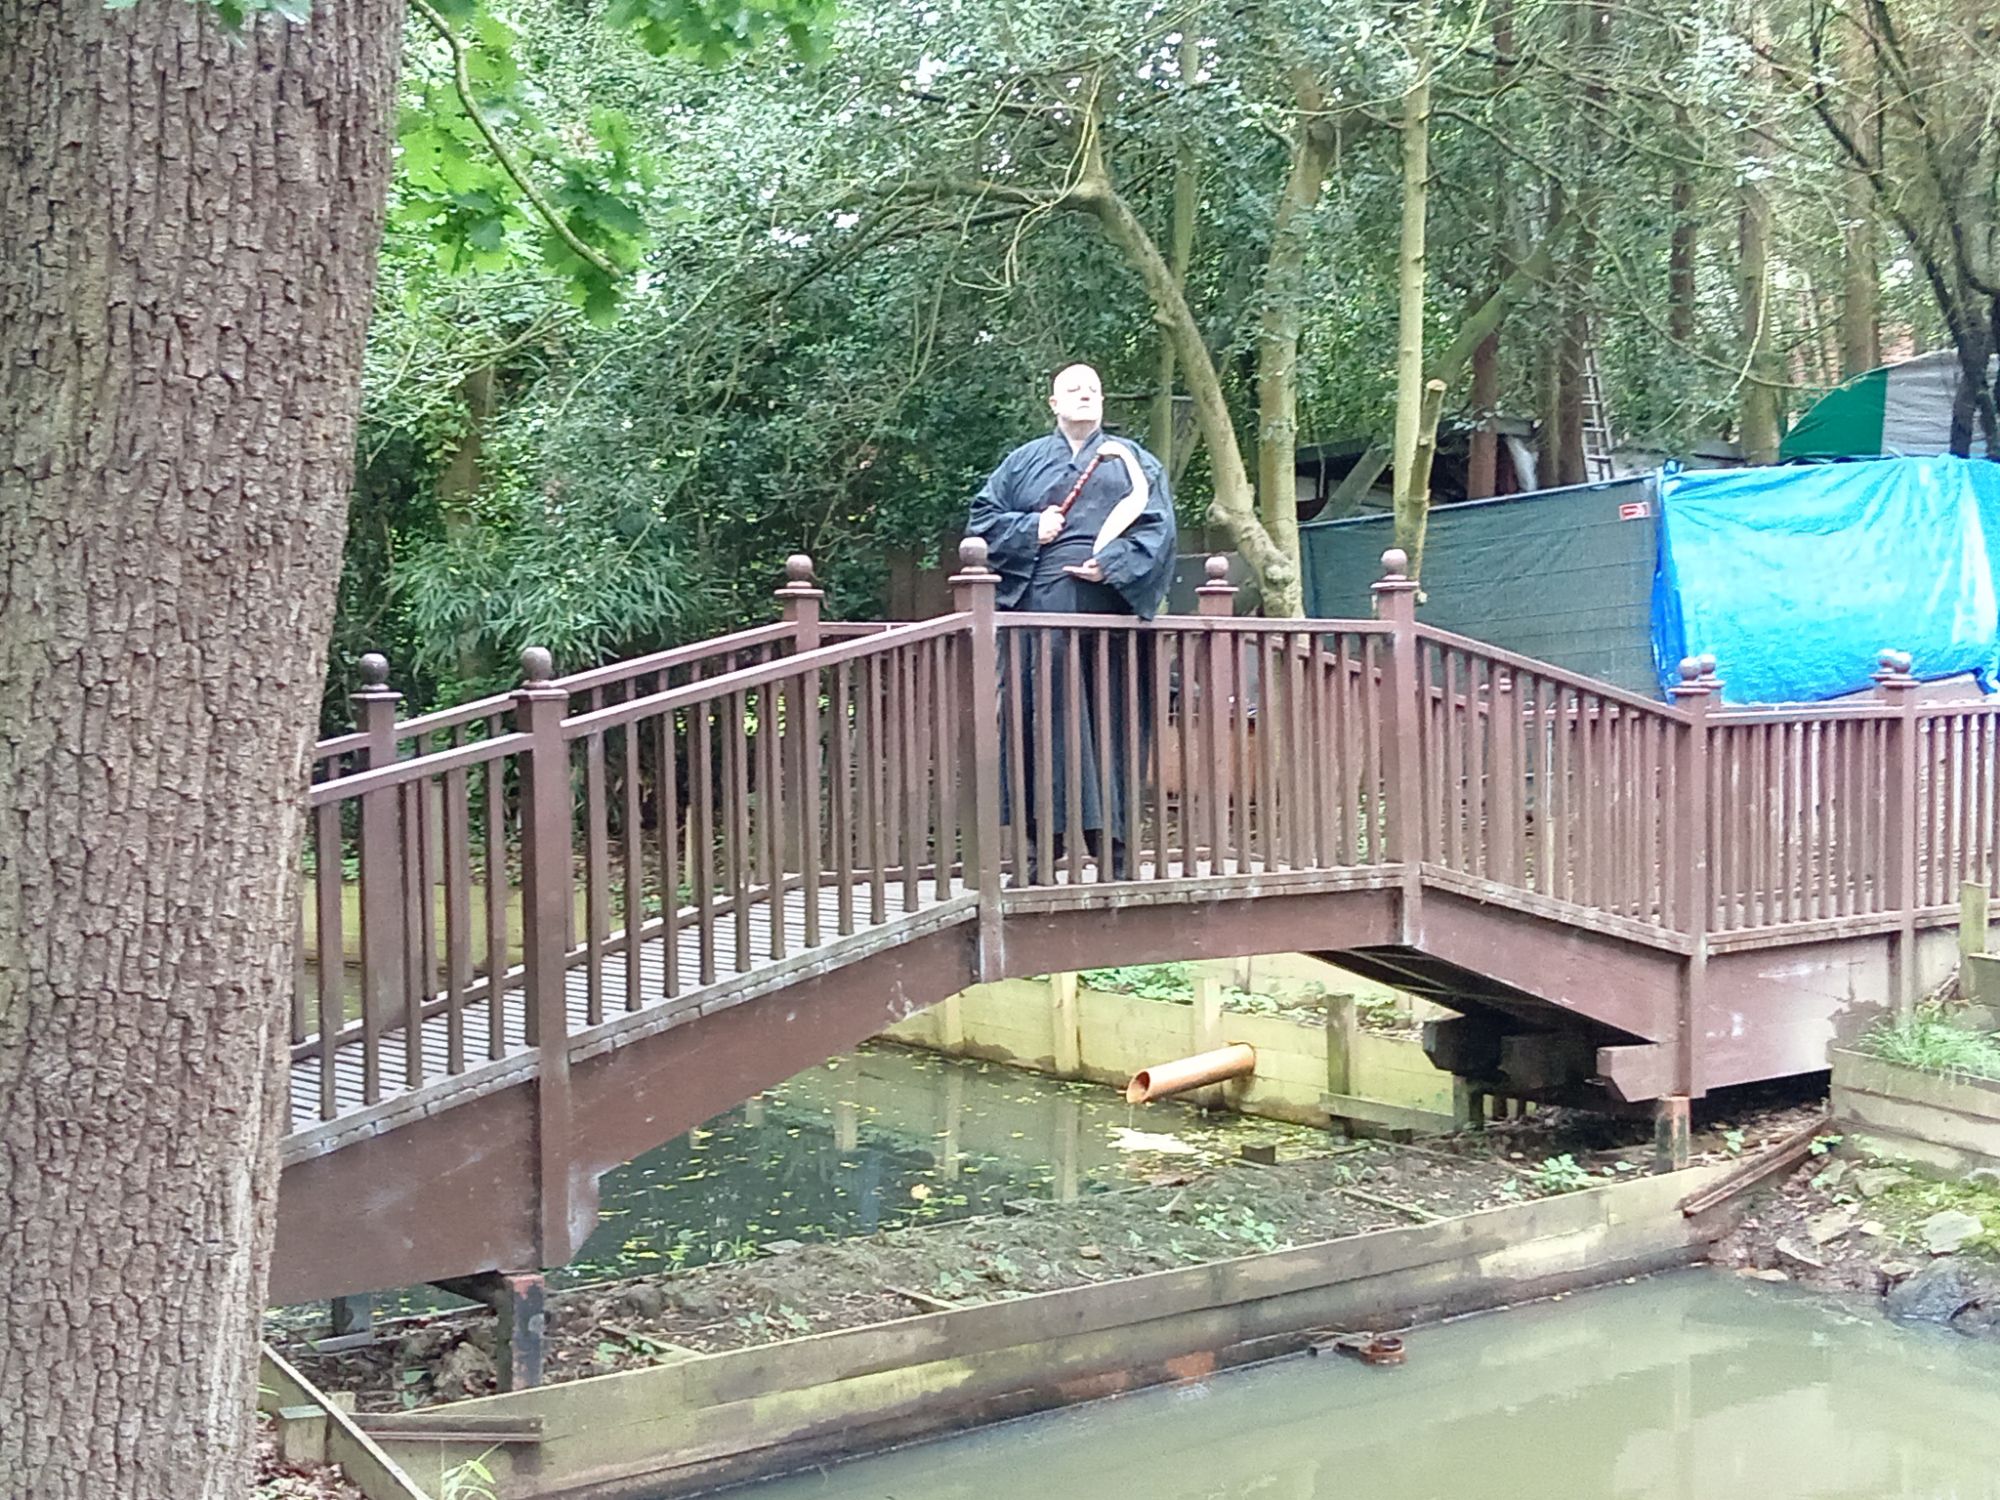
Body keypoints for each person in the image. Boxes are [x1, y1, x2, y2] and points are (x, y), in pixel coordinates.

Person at [968, 364, 1178, 882]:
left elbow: (1159, 530)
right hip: (1040, 616)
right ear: (1054, 403)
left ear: (1102, 401)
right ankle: (1038, 850)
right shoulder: (1022, 463)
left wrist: (1113, 563)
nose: (1085, 396)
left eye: (1093, 390)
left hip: (1111, 615)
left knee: (1112, 724)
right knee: (1039, 725)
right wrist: (1031, 527)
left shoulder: (1135, 463)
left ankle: (1115, 852)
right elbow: (981, 522)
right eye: (1073, 389)